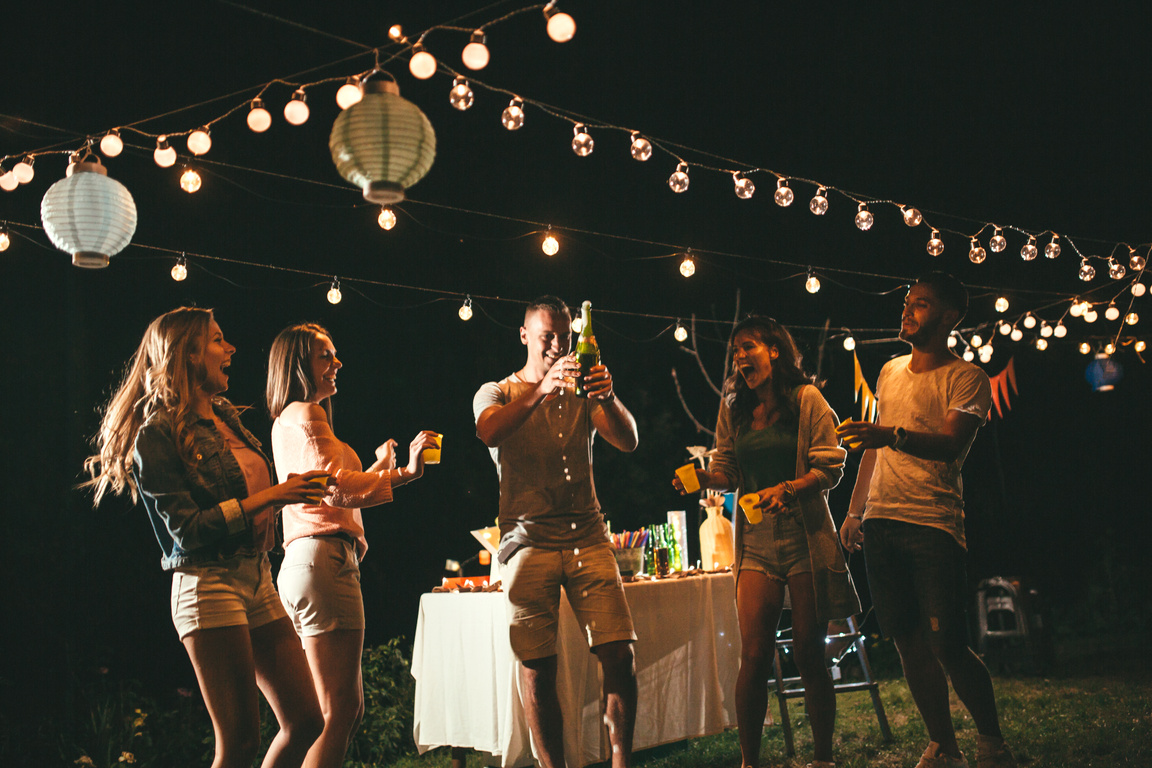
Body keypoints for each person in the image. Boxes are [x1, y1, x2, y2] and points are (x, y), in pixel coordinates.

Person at [84, 307, 325, 768]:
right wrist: (275, 494)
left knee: (307, 720)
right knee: (238, 743)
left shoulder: (227, 417)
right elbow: (187, 531)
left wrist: (285, 498)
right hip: (208, 584)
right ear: (188, 354)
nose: (230, 348)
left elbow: (247, 493)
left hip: (257, 578)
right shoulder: (155, 436)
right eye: (218, 340)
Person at [837, 272, 1017, 768]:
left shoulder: (967, 378)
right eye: (907, 302)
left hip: (933, 524)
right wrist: (856, 511)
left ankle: (992, 742)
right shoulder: (890, 371)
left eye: (921, 304)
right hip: (881, 523)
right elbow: (872, 452)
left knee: (947, 643)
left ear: (949, 316)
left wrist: (890, 434)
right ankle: (945, 745)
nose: (907, 310)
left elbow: (950, 444)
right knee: (906, 642)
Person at [674, 315, 859, 768]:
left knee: (807, 649)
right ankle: (749, 761)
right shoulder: (734, 408)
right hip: (754, 540)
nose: (739, 357)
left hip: (804, 536)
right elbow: (729, 472)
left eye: (748, 347)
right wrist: (702, 477)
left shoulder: (807, 399)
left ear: (774, 350)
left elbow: (831, 465)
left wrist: (790, 489)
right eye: (736, 350)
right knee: (754, 654)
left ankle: (821, 759)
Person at [473, 296, 640, 768]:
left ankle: (621, 762)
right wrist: (542, 388)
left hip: (588, 536)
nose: (557, 347)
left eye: (564, 337)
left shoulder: (582, 391)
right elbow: (489, 432)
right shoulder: (497, 391)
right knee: (537, 666)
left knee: (620, 654)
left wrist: (606, 396)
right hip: (526, 542)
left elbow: (628, 441)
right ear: (524, 335)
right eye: (548, 337)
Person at [266, 322, 439, 768]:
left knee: (327, 713)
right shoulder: (308, 413)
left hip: (302, 565)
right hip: (325, 561)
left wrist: (378, 464)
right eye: (326, 355)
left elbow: (330, 481)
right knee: (338, 712)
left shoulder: (286, 420)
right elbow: (335, 490)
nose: (337, 363)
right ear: (299, 363)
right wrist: (405, 474)